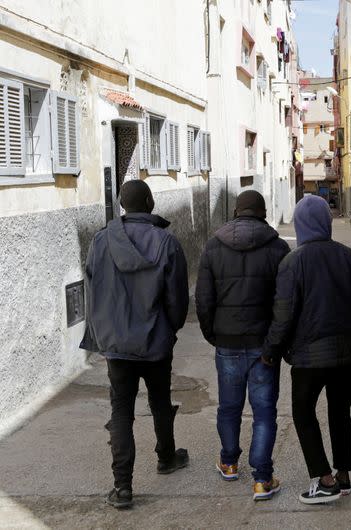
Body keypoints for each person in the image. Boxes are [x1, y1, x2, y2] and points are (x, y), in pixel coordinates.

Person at [81, 180, 190, 509]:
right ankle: (166, 458)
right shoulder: (166, 242)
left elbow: (92, 289)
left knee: (121, 411)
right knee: (159, 401)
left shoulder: (100, 241)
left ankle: (123, 487)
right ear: (149, 201)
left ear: (123, 205)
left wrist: (102, 333)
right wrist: (170, 328)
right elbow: (177, 300)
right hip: (155, 341)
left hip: (116, 344)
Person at [262, 195, 351, 505]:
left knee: (303, 411)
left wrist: (271, 350)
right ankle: (343, 475)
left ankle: (324, 480)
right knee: (340, 412)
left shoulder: (292, 262)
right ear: (325, 222)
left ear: (300, 225)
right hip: (347, 355)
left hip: (308, 358)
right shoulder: (349, 258)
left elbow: (283, 315)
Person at [195, 190, 290, 501]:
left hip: (228, 342)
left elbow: (203, 299)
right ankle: (262, 479)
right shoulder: (278, 248)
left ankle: (229, 462)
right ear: (262, 212)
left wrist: (214, 335)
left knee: (229, 407)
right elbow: (284, 304)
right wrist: (275, 343)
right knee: (264, 412)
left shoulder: (213, 246)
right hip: (264, 345)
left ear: (236, 212)